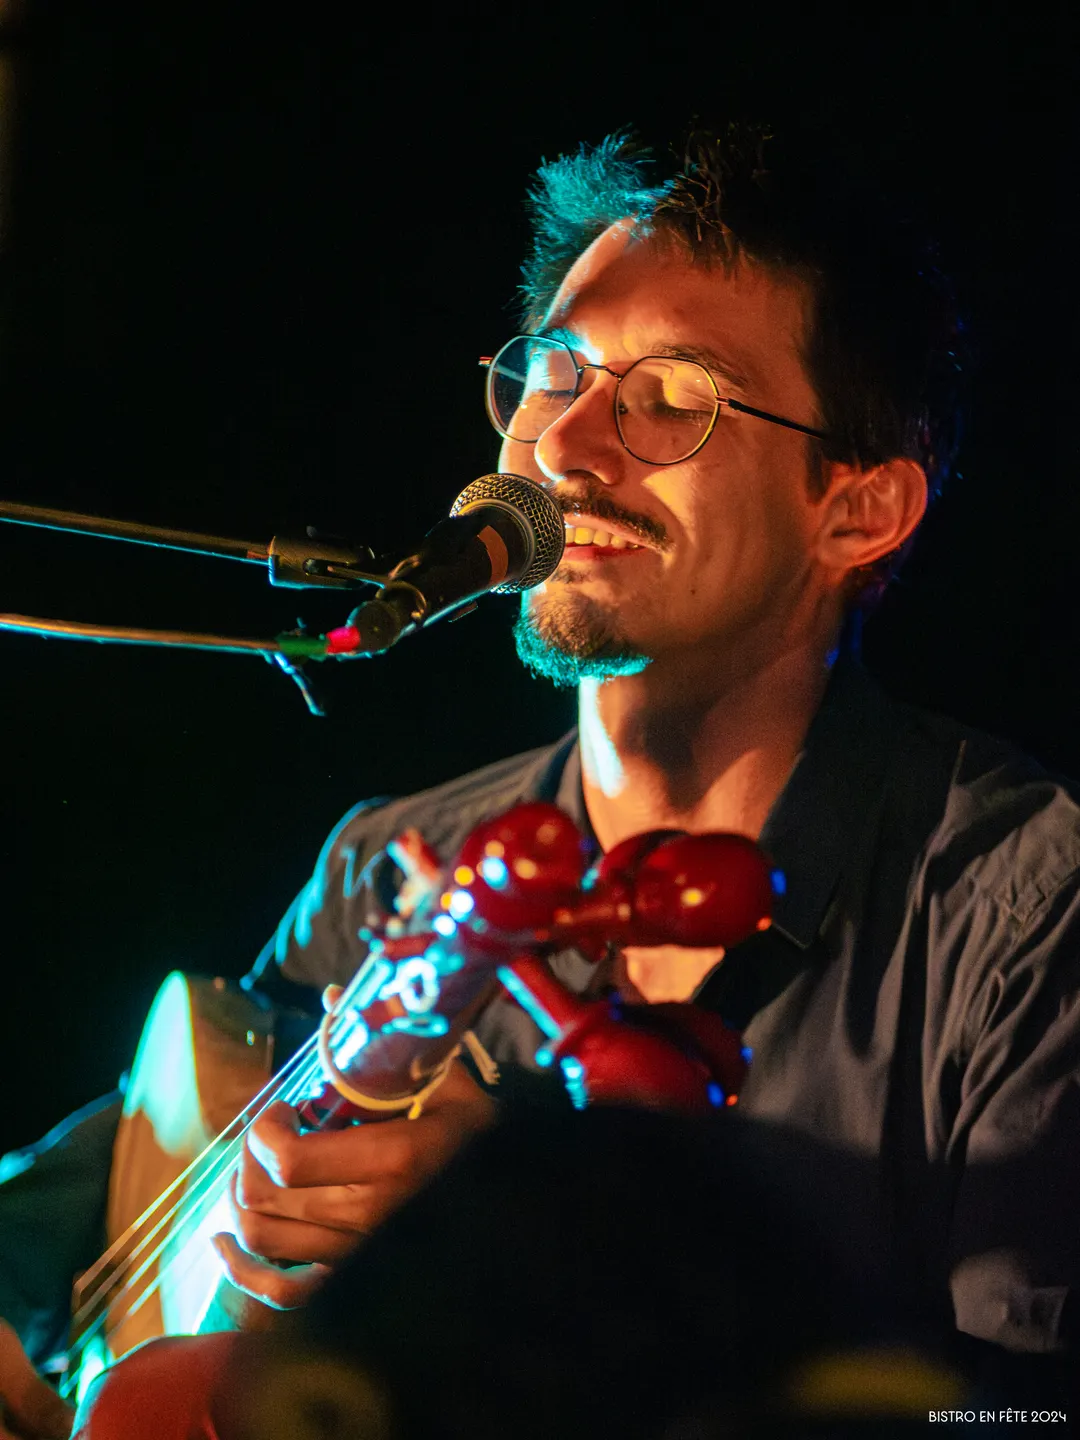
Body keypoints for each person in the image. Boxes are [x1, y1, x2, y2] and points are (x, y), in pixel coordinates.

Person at [3, 122, 1078, 1432]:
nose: (561, 445)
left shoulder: (1027, 908)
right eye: (552, 372)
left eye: (674, 397)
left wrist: (524, 1272)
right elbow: (101, 1206)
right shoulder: (388, 864)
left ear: (858, 510)